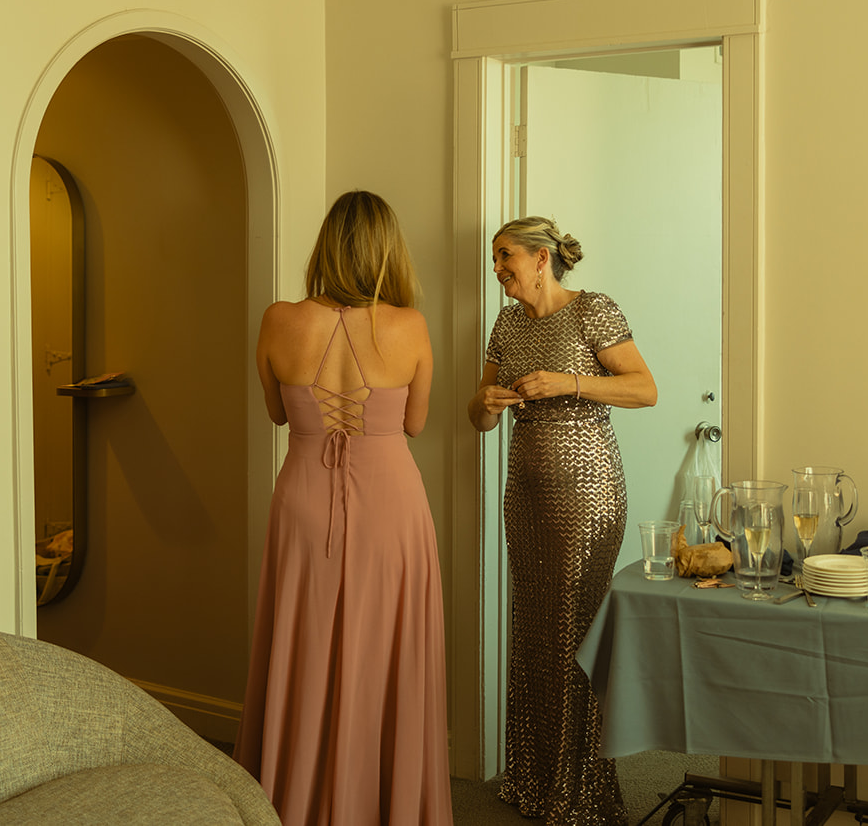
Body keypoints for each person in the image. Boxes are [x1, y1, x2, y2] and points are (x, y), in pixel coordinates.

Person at [236, 191, 452, 826]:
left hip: (303, 499)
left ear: (326, 244)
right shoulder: (409, 325)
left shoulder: (278, 320)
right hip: (391, 505)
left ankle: (294, 799)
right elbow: (414, 424)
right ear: (388, 249)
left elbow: (277, 413)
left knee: (301, 641)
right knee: (388, 650)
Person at [467, 215, 657, 825]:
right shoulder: (506, 324)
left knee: (574, 629)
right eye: (495, 260)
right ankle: (535, 776)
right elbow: (479, 415)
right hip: (524, 488)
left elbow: (645, 389)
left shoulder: (592, 310)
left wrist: (570, 382)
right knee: (531, 625)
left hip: (587, 489)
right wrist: (487, 403)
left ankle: (580, 788)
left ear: (541, 259)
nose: (498, 270)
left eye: (505, 258)